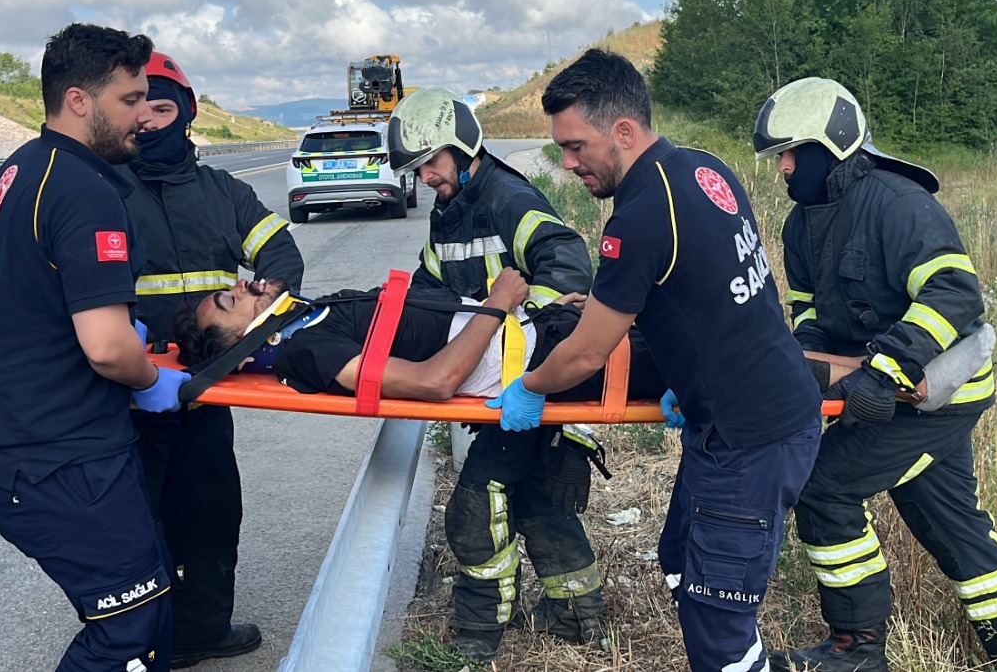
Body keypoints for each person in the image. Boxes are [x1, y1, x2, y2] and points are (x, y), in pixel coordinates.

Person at [485, 49, 823, 672]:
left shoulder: (638, 218)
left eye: (576, 146)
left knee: (715, 624)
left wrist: (530, 387)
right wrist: (682, 377)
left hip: (750, 438)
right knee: (678, 558)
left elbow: (588, 350)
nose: (567, 163)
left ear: (623, 131)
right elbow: (718, 288)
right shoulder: (702, 169)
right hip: (742, 414)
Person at [753, 77, 997, 672]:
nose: (784, 168)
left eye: (792, 152)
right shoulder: (801, 226)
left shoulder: (899, 205)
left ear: (832, 146)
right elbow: (811, 312)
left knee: (822, 485)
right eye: (780, 156)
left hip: (938, 395)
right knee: (953, 523)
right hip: (877, 389)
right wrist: (809, 365)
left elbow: (954, 294)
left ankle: (857, 648)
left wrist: (884, 370)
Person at [0, 23, 190, 672]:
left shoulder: (25, 167)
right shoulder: (84, 190)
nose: (144, 117)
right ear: (79, 101)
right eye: (129, 100)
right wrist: (148, 377)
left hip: (30, 444)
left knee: (148, 604)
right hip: (61, 458)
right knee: (128, 632)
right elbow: (105, 347)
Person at [386, 87, 603, 662]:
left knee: (474, 505)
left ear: (462, 145)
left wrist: (522, 339)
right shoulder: (449, 211)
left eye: (432, 161)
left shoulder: (507, 197)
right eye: (416, 169)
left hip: (529, 384)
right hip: (503, 387)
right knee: (538, 502)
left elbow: (567, 264)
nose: (426, 177)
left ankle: (478, 631)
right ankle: (580, 614)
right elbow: (432, 292)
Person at [112, 52, 303, 668]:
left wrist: (245, 338)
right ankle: (140, 639)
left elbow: (281, 259)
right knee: (134, 518)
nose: (146, 120)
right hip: (124, 390)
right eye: (137, 106)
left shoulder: (226, 194)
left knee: (211, 508)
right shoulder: (105, 189)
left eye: (161, 107)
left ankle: (201, 630)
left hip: (203, 390)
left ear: (186, 115)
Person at [174, 269, 665, 402]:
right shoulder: (306, 353)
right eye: (229, 302)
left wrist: (539, 310)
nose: (240, 286)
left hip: (544, 331)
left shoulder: (305, 323)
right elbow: (435, 381)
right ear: (238, 349)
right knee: (711, 367)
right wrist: (498, 303)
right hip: (554, 361)